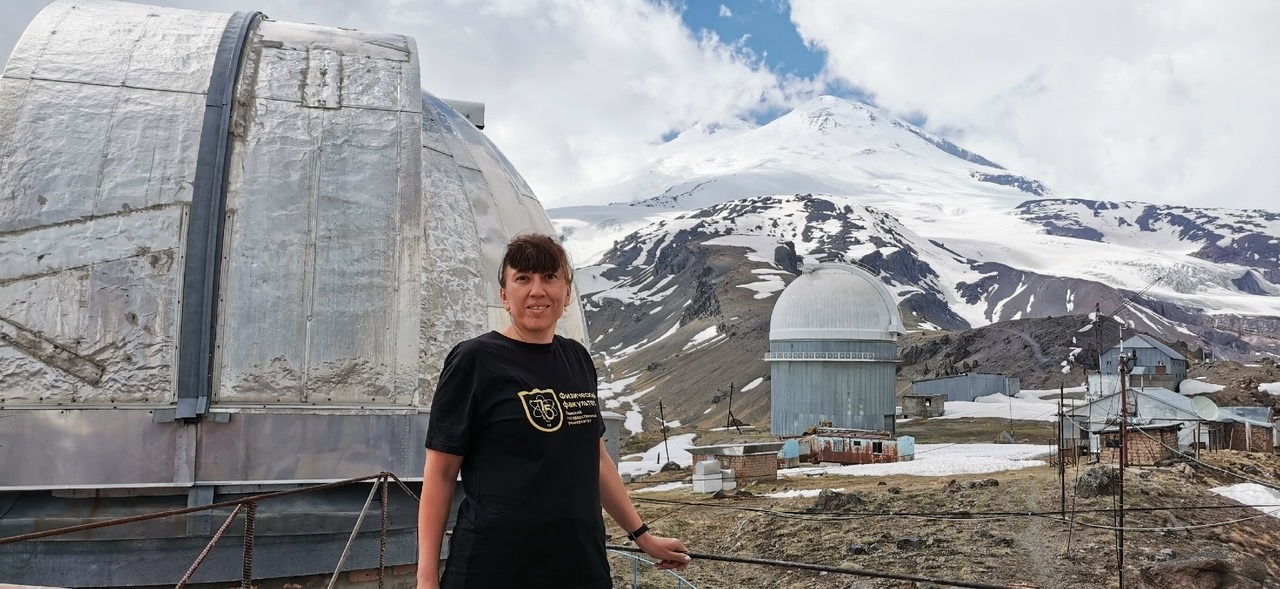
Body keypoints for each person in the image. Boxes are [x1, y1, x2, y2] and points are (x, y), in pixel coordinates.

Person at [417, 234, 690, 589]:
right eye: (523, 279)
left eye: (549, 278)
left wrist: (641, 535)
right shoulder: (474, 361)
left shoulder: (577, 358)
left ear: (567, 292)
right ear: (504, 295)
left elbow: (596, 458)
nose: (537, 290)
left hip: (579, 565)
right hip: (494, 568)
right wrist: (426, 578)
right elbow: (439, 473)